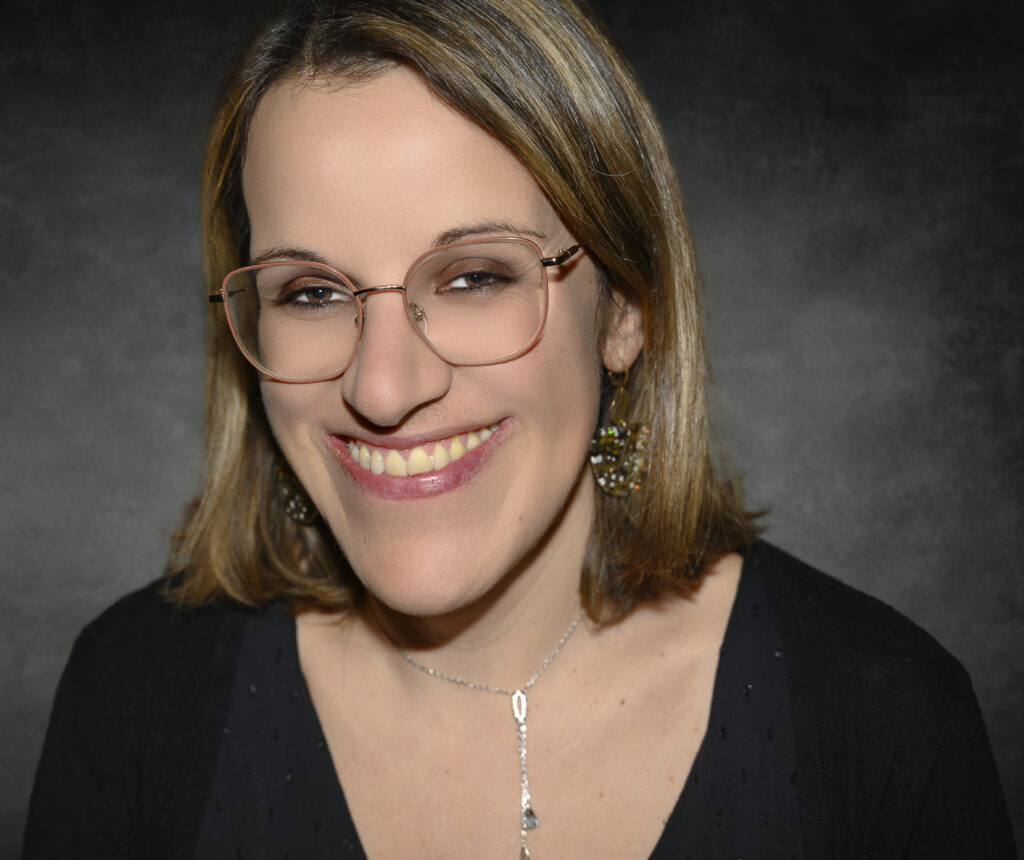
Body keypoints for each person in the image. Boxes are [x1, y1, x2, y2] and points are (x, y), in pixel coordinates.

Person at [23, 0, 1014, 857]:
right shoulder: (136, 696)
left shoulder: (883, 720)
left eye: (471, 276)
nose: (381, 384)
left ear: (625, 305)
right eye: (312, 289)